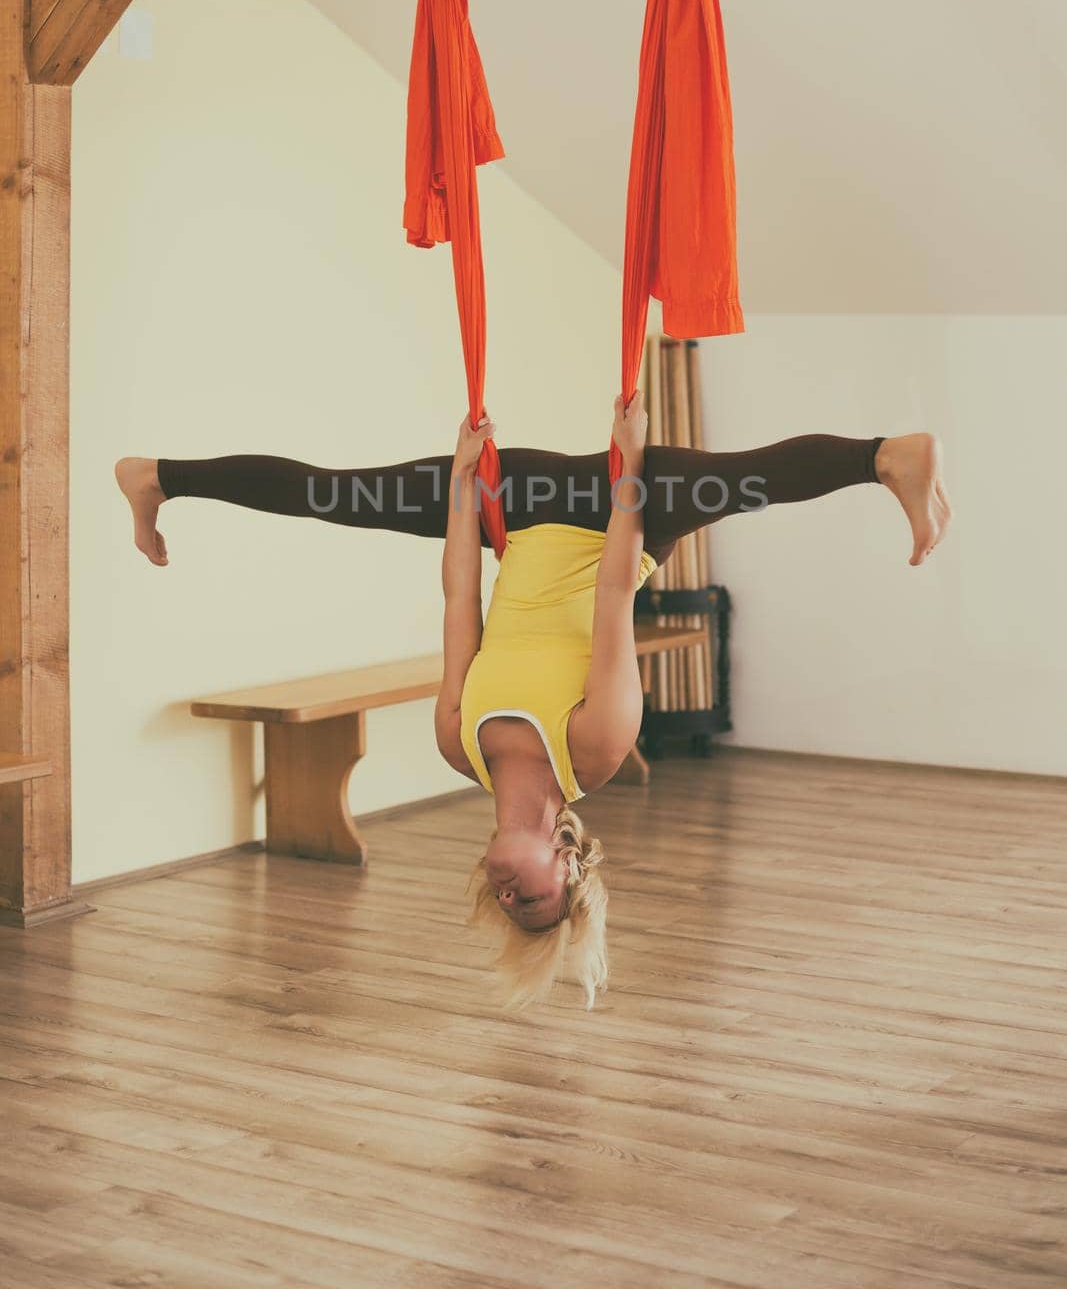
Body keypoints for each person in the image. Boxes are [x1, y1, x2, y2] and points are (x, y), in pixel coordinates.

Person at [115, 399, 951, 1009]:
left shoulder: (459, 748)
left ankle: (157, 479)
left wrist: (456, 486)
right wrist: (624, 467)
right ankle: (887, 457)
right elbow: (616, 592)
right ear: (568, 866)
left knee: (338, 497)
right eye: (538, 902)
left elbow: (457, 605)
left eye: (505, 905)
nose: (512, 897)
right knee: (742, 481)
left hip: (507, 506)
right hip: (621, 511)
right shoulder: (596, 751)